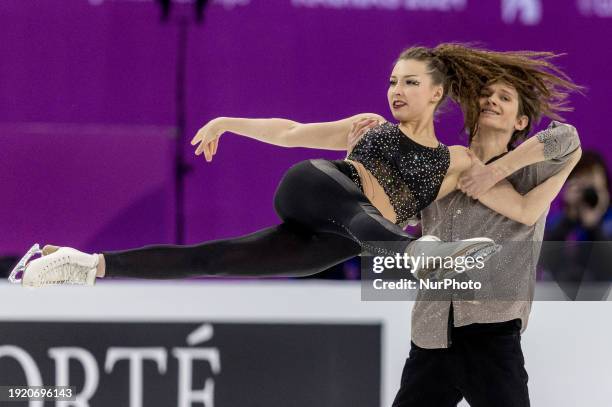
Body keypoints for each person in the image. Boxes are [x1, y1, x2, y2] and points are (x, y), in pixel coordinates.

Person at [16, 44, 564, 287]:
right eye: (393, 80)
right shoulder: (367, 126)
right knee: (355, 209)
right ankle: (416, 254)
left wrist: (564, 159)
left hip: (332, 245)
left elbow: (520, 207)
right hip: (315, 190)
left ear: (437, 93)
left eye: (410, 82)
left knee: (213, 260)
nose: (396, 90)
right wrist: (231, 121)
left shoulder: (457, 161)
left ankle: (86, 266)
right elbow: (290, 132)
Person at [346, 57, 582, 405]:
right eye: (486, 95)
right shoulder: (440, 166)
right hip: (431, 333)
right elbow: (388, 218)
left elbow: (567, 137)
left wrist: (494, 172)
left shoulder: (531, 175)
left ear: (520, 121)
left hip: (492, 334)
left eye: (504, 97)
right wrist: (355, 161)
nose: (491, 101)